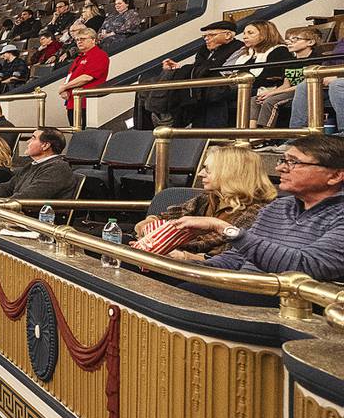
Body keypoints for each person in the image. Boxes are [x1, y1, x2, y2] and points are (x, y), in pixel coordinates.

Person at [179, 136, 344, 283]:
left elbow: (305, 267)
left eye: (294, 162)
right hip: (241, 289)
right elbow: (235, 259)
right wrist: (188, 267)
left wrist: (226, 229)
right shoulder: (278, 206)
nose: (280, 168)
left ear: (335, 176)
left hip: (285, 306)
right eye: (283, 160)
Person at [130, 147, 274, 261]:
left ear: (230, 173)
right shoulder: (208, 198)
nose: (200, 173)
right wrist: (148, 224)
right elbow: (166, 218)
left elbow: (230, 259)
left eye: (208, 170)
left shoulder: (258, 212)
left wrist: (184, 257)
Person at [150, 20, 243, 128]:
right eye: (205, 36)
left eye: (211, 35)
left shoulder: (238, 48)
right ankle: (164, 119)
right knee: (157, 81)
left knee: (208, 93)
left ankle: (172, 122)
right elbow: (197, 68)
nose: (206, 39)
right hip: (202, 84)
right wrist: (179, 68)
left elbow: (224, 72)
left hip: (223, 85)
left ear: (227, 35)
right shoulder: (204, 50)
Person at [253, 27, 323, 127]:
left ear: (310, 42)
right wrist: (269, 93)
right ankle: (251, 134)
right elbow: (286, 85)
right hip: (288, 90)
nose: (289, 43)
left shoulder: (316, 60)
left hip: (302, 92)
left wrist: (272, 94)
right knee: (256, 99)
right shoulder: (290, 61)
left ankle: (265, 136)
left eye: (294, 39)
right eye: (288, 40)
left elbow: (303, 86)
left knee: (270, 102)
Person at [0, 128, 77, 200]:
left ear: (45, 145)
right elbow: (7, 187)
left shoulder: (58, 169)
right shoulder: (32, 165)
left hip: (36, 220)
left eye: (33, 138)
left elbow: (30, 197)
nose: (28, 141)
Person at [61, 27, 109, 124]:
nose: (79, 42)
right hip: (72, 102)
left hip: (85, 103)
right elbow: (70, 75)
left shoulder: (99, 55)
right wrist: (65, 89)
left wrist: (64, 87)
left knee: (83, 134)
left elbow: (87, 77)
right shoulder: (79, 57)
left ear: (93, 40)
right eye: (77, 40)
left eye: (83, 39)